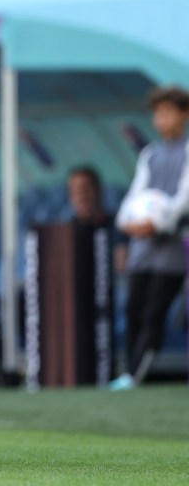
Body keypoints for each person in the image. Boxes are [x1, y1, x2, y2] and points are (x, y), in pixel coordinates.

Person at [110, 86, 189, 391]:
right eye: (157, 113)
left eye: (167, 112)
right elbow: (133, 197)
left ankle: (135, 373)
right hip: (142, 249)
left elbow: (182, 200)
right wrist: (129, 222)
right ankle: (129, 372)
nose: (161, 120)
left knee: (154, 312)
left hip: (171, 250)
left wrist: (156, 222)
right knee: (134, 310)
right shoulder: (150, 154)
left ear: (183, 115)